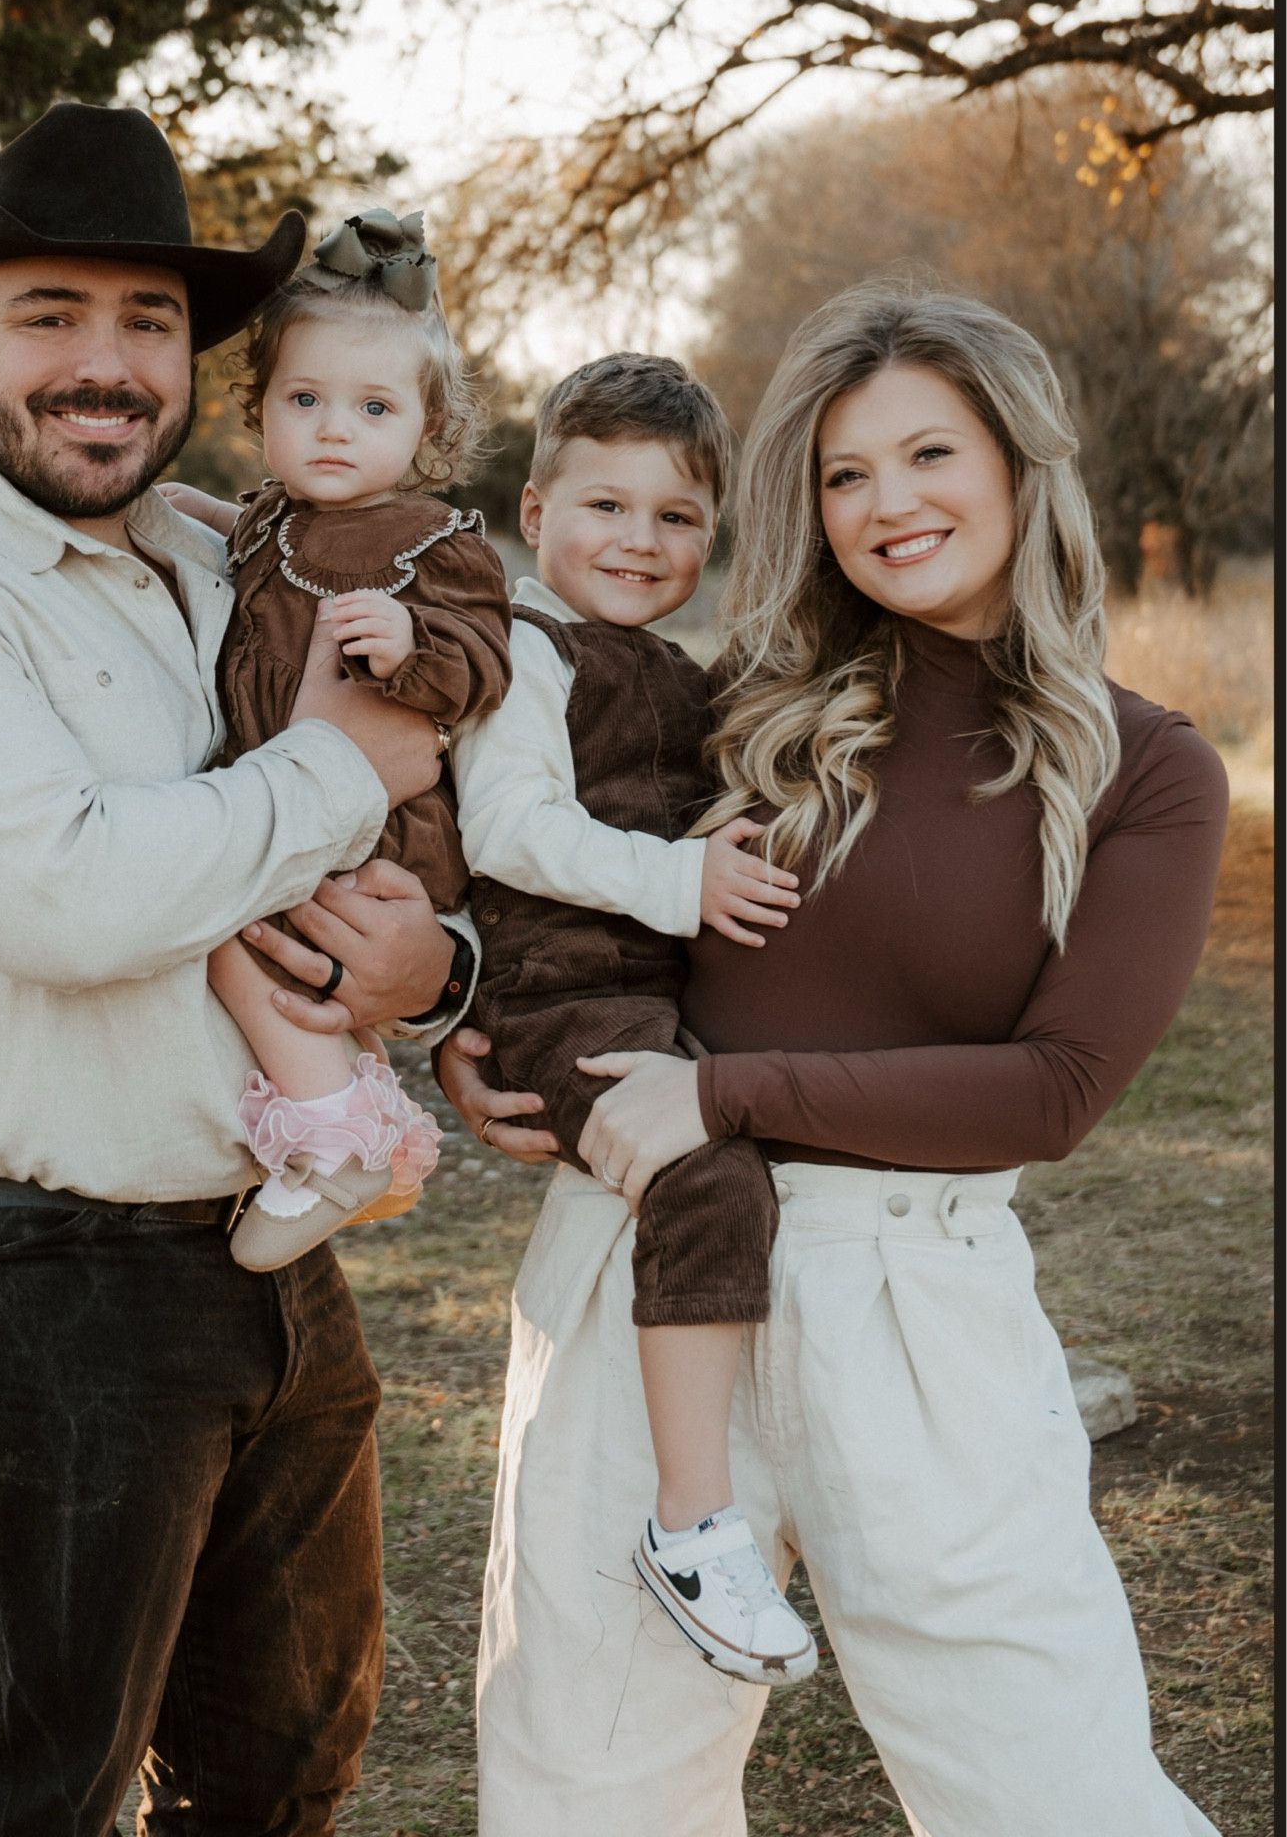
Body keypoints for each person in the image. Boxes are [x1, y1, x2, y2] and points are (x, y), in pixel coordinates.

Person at [0, 101, 476, 1836]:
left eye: (147, 320)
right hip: (24, 1280)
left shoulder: (203, 551)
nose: (105, 363)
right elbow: (72, 897)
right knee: (40, 1802)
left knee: (278, 1780)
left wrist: (422, 966)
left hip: (262, 1256)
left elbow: (406, 809)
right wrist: (338, 765)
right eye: (50, 314)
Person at [440, 281, 1229, 1836]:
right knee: (589, 1783)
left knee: (1045, 1783)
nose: (887, 505)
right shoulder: (733, 710)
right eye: (843, 473)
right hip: (641, 1270)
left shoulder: (1145, 771)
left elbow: (1055, 1089)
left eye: (928, 454)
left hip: (912, 1298)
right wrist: (463, 1041)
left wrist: (724, 1094)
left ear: (1017, 464)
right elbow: (536, 880)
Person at [450, 352, 814, 1683]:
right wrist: (683, 881)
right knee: (708, 1183)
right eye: (605, 506)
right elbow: (507, 827)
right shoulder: (521, 658)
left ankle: (796, 1482)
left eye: (673, 519)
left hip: (644, 994)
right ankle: (690, 1524)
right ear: (533, 511)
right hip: (558, 998)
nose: (637, 541)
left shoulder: (672, 667)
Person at [161, 208, 512, 1269]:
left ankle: (336, 1142)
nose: (333, 428)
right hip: (306, 803)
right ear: (260, 407)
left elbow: (487, 654)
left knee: (229, 932)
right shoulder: (274, 514)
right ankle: (350, 1120)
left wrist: (413, 644)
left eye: (371, 406)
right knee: (268, 950)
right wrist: (186, 510)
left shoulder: (427, 541)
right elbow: (262, 552)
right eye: (303, 399)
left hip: (381, 826)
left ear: (426, 427)